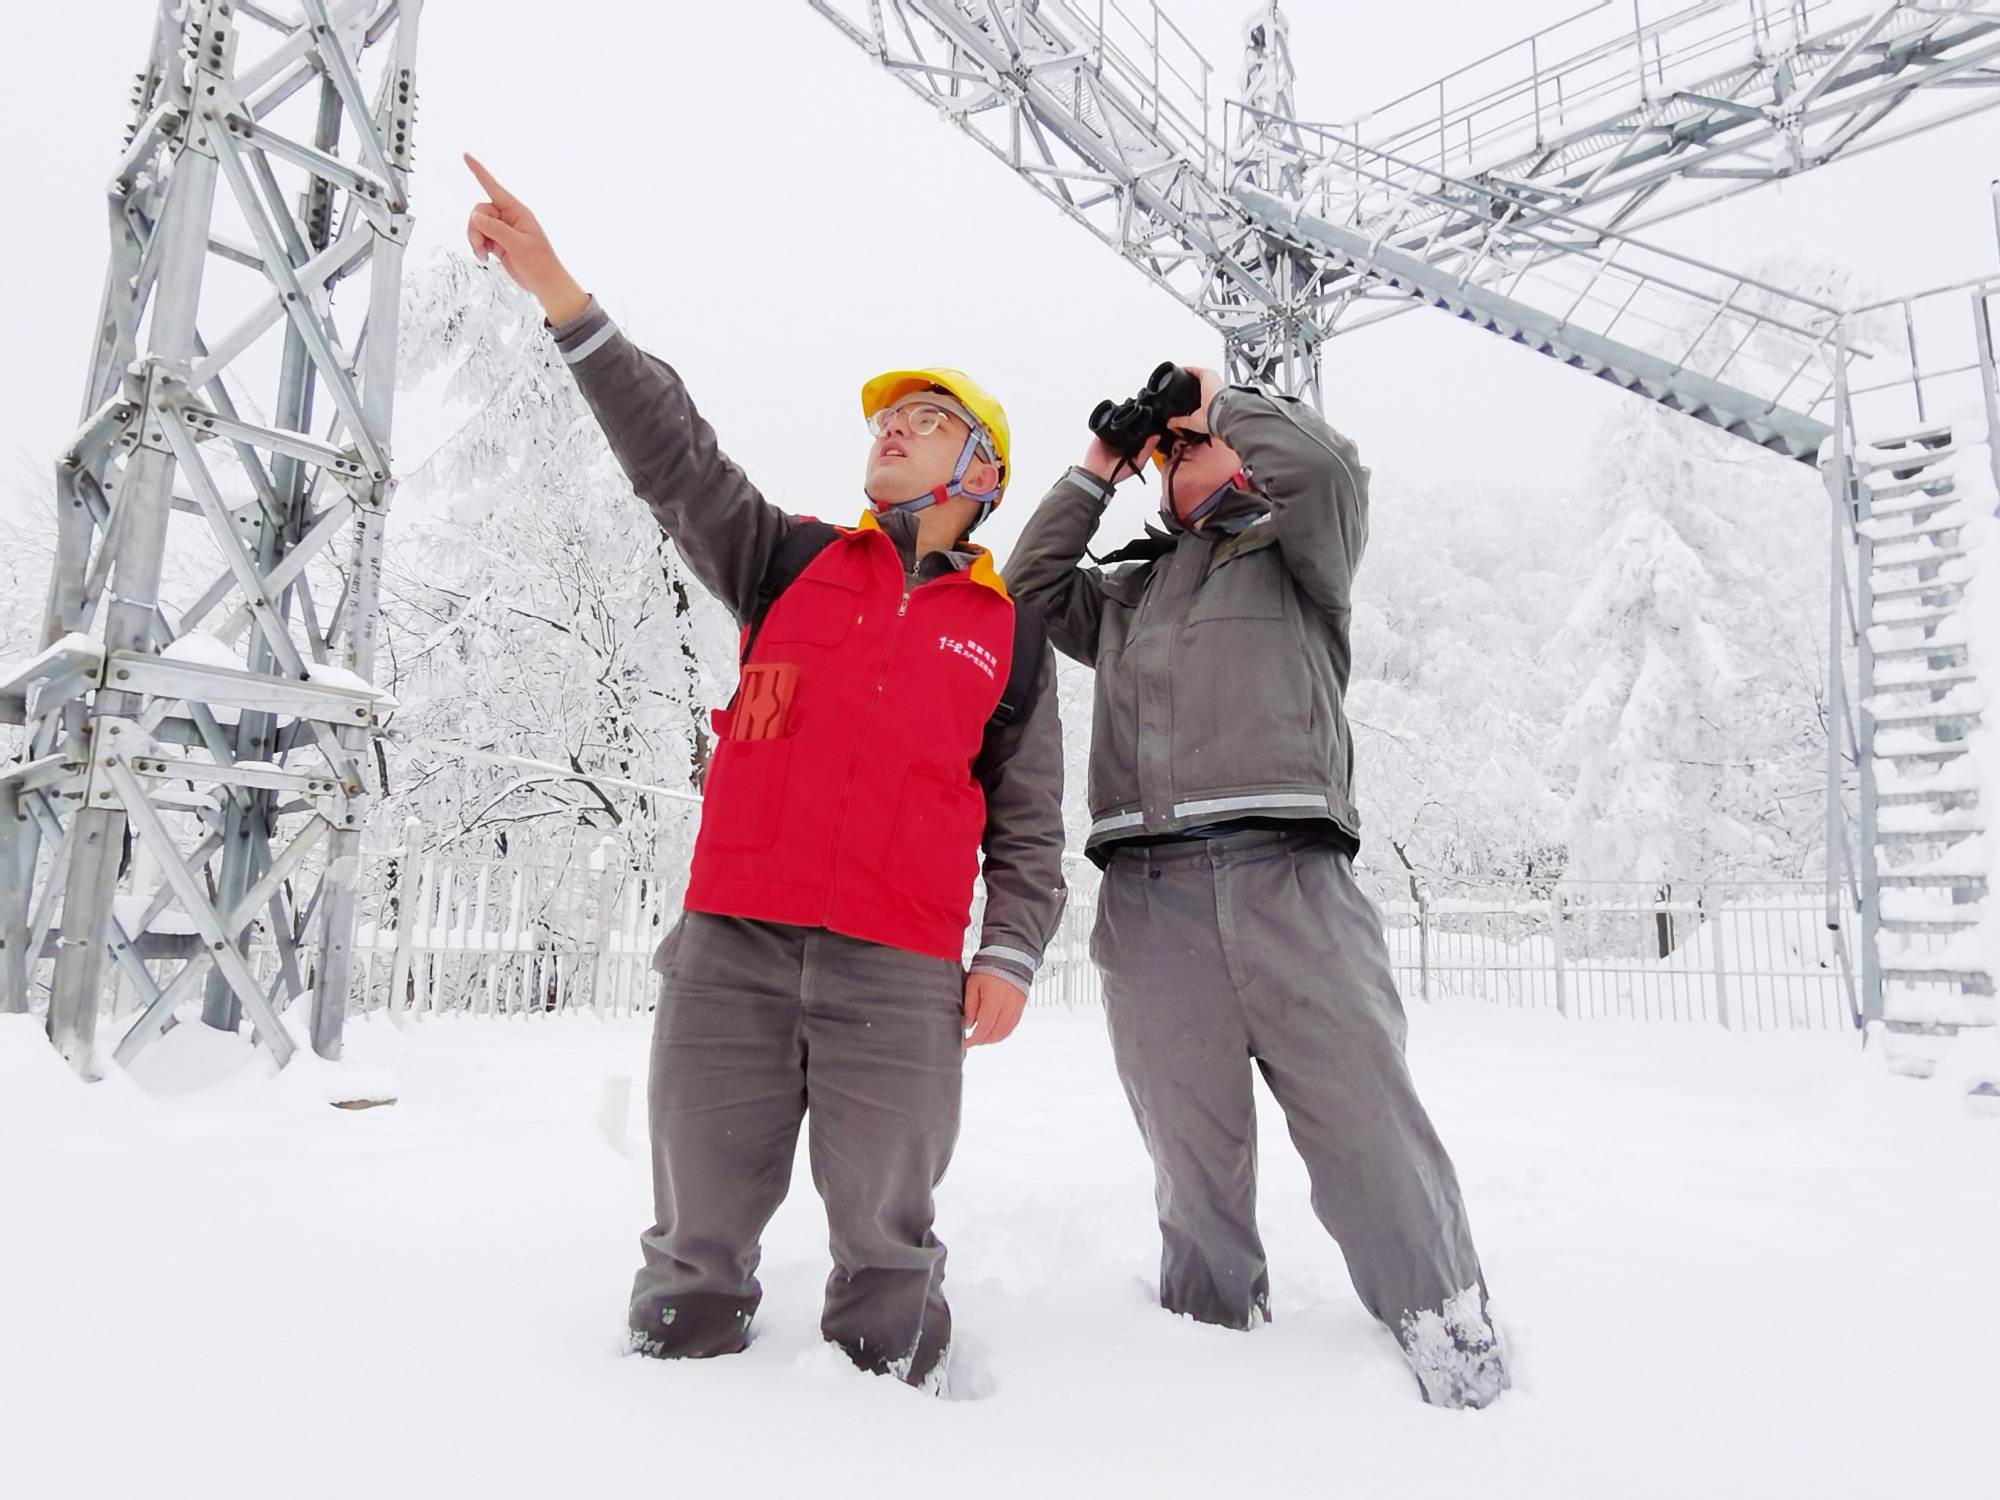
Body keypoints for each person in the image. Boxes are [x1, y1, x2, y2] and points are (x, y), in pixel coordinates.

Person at [463, 156, 1066, 1391]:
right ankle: (666, 1411)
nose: (890, 429)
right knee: (691, 1248)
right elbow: (674, 458)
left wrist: (1005, 950)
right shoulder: (785, 560)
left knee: (889, 1251)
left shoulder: (1007, 635)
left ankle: (891, 1421)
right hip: (730, 950)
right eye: (884, 418)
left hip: (896, 974)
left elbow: (1029, 823)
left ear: (980, 475)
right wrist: (564, 299)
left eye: (927, 420)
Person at [1003, 365, 1508, 1409]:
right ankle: (1212, 1352)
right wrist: (1101, 464)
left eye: (1193, 446)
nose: (1177, 458)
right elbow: (1026, 594)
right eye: (1166, 453)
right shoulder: (1128, 594)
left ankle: (1454, 1352)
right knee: (1192, 1158)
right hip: (1150, 899)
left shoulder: (1297, 554)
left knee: (1367, 1127)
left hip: (1292, 881)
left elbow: (1323, 465)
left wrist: (1209, 398)